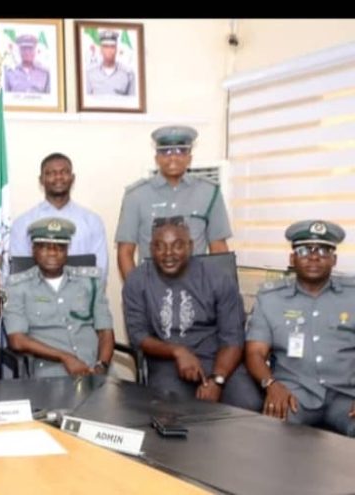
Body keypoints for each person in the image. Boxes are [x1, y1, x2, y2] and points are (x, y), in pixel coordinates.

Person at [122, 217, 260, 409]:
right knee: (170, 410)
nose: (168, 254)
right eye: (160, 246)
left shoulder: (218, 278)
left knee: (249, 404)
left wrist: (217, 380)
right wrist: (178, 351)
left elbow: (233, 338)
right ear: (151, 249)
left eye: (177, 245)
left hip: (218, 360)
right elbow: (138, 336)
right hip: (167, 362)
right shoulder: (137, 280)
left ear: (190, 246)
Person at [246, 220, 355, 436]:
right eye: (304, 250)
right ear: (292, 258)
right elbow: (255, 352)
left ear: (334, 259)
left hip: (346, 396)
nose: (314, 257)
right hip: (294, 395)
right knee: (271, 434)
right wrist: (271, 384)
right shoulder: (270, 299)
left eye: (323, 250)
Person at [115, 125, 231, 281]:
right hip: (151, 287)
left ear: (189, 157)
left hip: (196, 286)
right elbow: (125, 252)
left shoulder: (209, 192)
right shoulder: (135, 196)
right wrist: (135, 291)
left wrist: (217, 291)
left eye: (181, 151)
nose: (173, 158)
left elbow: (219, 249)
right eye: (166, 152)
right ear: (157, 158)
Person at [3, 218, 114, 378]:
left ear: (67, 251)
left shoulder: (90, 282)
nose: (52, 253)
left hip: (95, 368)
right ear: (33, 250)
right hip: (51, 373)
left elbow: (105, 331)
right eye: (44, 247)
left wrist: (101, 366)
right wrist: (65, 357)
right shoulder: (17, 287)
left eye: (59, 247)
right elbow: (17, 340)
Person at [4, 153, 108, 278]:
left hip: (82, 290)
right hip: (35, 290)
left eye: (64, 172)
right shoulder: (23, 223)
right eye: (51, 173)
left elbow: (100, 271)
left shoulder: (92, 221)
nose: (58, 177)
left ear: (72, 178)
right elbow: (19, 272)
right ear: (41, 180)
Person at [85, 30, 136, 96]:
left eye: (112, 47)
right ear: (101, 50)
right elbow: (85, 99)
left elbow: (133, 100)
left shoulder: (128, 74)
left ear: (116, 49)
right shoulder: (90, 73)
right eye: (106, 47)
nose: (109, 50)